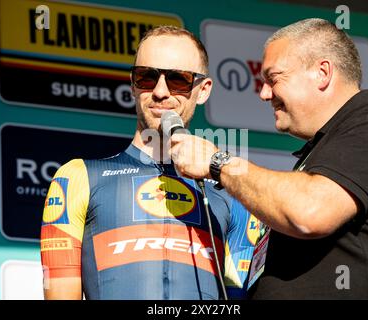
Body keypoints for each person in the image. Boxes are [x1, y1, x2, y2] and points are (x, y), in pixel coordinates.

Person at [168, 18, 368, 299]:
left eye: (273, 79)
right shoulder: (327, 148)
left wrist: (218, 163)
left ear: (322, 73)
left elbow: (309, 213)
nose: (264, 94)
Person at [40, 26, 259, 300]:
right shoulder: (79, 177)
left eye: (178, 79)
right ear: (133, 84)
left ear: (202, 90)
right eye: (147, 77)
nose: (160, 92)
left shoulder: (232, 192)